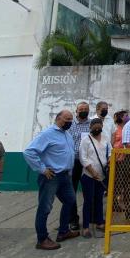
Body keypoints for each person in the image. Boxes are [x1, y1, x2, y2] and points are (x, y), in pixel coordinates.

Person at [23, 110, 79, 250]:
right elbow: (29, 152)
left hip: (65, 176)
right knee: (45, 207)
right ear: (58, 118)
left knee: (70, 201)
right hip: (51, 177)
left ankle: (63, 231)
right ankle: (42, 239)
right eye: (67, 119)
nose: (70, 122)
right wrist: (42, 169)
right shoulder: (47, 134)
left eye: (71, 119)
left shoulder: (67, 134)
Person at [79, 118, 111, 238]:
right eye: (94, 126)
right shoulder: (85, 140)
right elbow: (83, 158)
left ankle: (99, 222)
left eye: (99, 126)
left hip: (101, 176)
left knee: (99, 200)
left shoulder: (105, 138)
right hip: (88, 176)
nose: (97, 128)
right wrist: (92, 172)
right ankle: (86, 227)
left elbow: (110, 152)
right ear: (90, 127)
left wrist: (109, 160)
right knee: (88, 201)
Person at [68, 102, 92, 231]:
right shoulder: (70, 125)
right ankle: (73, 220)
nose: (83, 111)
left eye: (86, 109)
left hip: (88, 162)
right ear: (76, 111)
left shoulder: (92, 124)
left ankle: (89, 218)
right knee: (71, 191)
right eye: (81, 109)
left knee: (89, 191)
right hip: (74, 162)